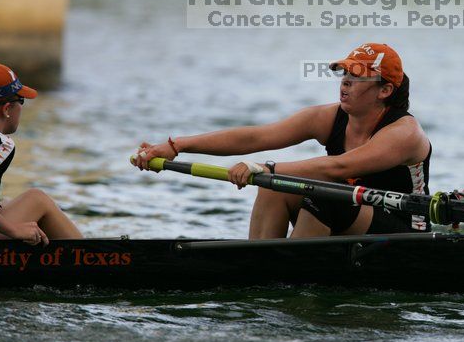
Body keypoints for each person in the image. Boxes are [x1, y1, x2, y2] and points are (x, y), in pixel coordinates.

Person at [134, 43, 432, 239]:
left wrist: (266, 168)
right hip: (351, 217)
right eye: (344, 73)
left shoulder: (403, 134)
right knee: (273, 188)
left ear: (384, 91)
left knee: (321, 190)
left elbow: (337, 167)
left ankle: (289, 274)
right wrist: (175, 146)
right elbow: (257, 136)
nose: (345, 81)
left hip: (405, 231)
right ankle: (261, 265)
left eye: (358, 75)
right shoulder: (328, 118)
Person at [0, 63, 84, 245]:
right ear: (7, 109)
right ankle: (95, 260)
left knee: (7, 203)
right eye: (21, 101)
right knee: (36, 199)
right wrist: (14, 230)